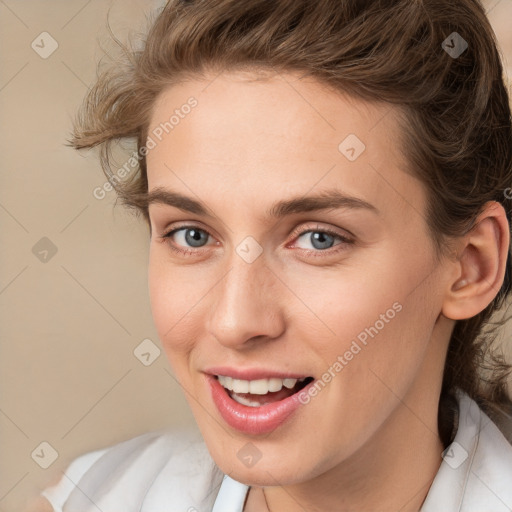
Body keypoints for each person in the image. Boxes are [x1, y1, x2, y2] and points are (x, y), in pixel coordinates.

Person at [34, 0, 512, 510]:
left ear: (470, 266)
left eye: (318, 239)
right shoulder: (88, 497)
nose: (235, 322)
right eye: (192, 235)